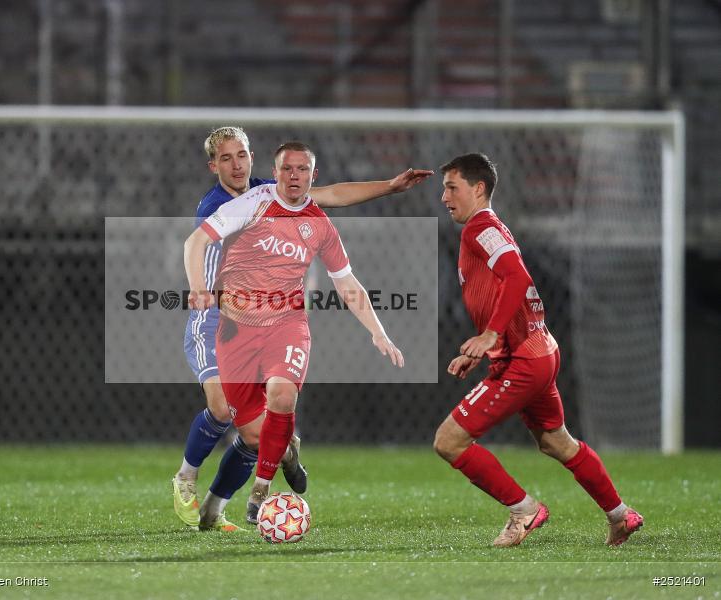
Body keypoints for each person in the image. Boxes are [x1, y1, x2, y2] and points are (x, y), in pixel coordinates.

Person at [174, 126, 430, 531]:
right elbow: (198, 244)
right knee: (223, 407)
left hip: (268, 322)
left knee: (257, 434)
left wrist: (389, 187)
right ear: (213, 166)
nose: (236, 165)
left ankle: (217, 505)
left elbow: (330, 195)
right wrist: (200, 290)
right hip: (217, 319)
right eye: (225, 158)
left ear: (253, 158)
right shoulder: (220, 204)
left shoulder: (266, 189)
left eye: (241, 156)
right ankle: (186, 477)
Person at [432, 152, 643, 547]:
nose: (444, 197)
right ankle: (621, 515)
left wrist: (490, 335)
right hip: (538, 350)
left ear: (478, 189)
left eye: (451, 187)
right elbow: (504, 285)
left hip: (523, 359)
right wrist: (484, 346)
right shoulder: (489, 227)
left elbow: (517, 276)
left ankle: (524, 510)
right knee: (556, 442)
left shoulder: (479, 228)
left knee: (449, 441)